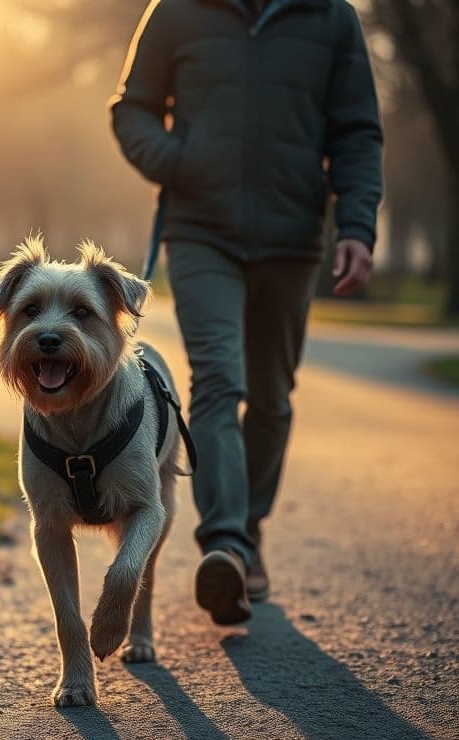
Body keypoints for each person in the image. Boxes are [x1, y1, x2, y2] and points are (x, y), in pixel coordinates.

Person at [109, 0, 383, 624]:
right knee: (217, 379)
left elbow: (357, 133)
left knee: (271, 394)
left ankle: (248, 530)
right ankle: (226, 544)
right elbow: (132, 109)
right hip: (201, 229)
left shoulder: (330, 17)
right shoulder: (177, 10)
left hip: (293, 237)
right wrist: (180, 163)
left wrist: (358, 225)